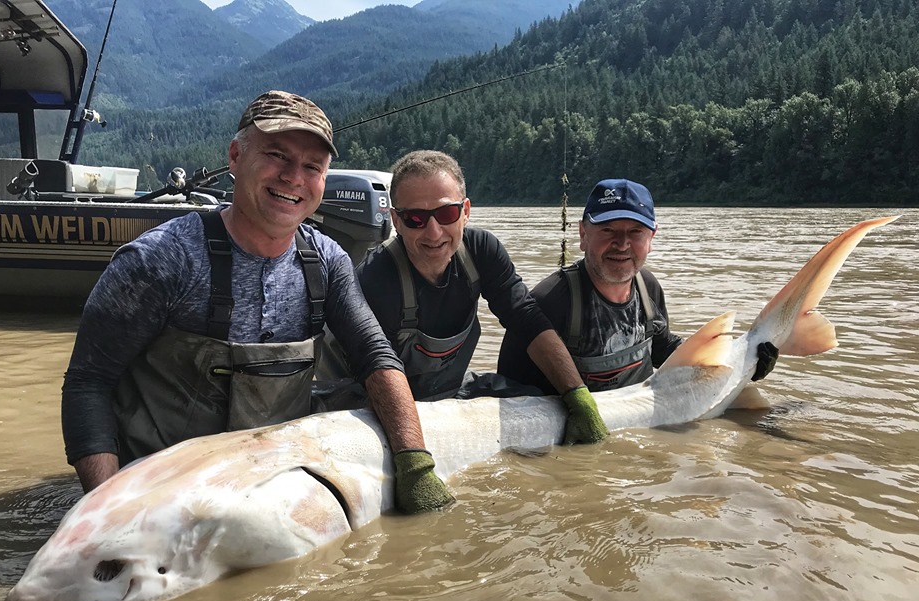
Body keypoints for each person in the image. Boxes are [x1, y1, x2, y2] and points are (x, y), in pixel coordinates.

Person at [61, 90, 451, 514]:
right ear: (235, 157)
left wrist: (414, 464)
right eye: (277, 155)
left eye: (311, 166)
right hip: (157, 493)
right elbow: (88, 383)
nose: (293, 177)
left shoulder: (328, 261)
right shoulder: (160, 259)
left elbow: (376, 359)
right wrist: (103, 509)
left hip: (266, 487)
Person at [340, 149, 607, 446]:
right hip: (374, 402)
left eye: (446, 213)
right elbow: (374, 365)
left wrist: (577, 395)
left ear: (465, 211)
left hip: (451, 391)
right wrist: (411, 454)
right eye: (415, 217)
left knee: (540, 401)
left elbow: (526, 319)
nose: (434, 231)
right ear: (396, 221)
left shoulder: (482, 251)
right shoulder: (375, 276)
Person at [497, 178, 777, 393]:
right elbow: (509, 396)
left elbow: (663, 351)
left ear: (651, 237)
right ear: (583, 234)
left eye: (635, 232)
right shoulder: (549, 302)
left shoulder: (648, 289)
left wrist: (741, 365)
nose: (622, 243)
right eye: (608, 230)